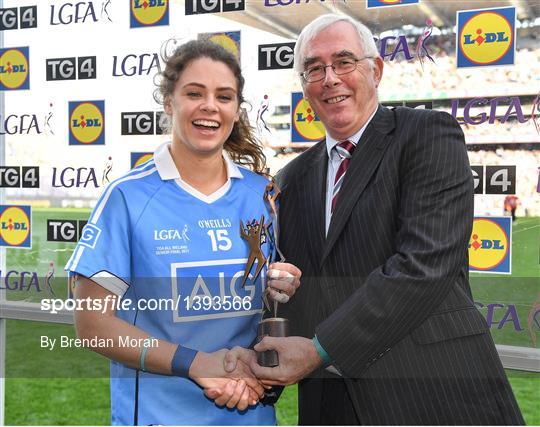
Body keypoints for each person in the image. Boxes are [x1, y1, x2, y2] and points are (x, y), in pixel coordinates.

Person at [224, 14, 524, 425]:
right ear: (304, 85)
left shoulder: (427, 135)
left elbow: (424, 266)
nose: (330, 78)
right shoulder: (290, 180)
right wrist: (265, 353)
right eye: (314, 68)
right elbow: (295, 294)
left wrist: (318, 350)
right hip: (335, 408)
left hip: (438, 397)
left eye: (344, 61)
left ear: (375, 70)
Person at [65, 39, 300, 426]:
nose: (210, 106)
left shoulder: (259, 195)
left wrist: (278, 287)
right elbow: (93, 324)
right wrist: (197, 363)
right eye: (195, 93)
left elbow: (262, 304)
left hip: (249, 413)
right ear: (169, 103)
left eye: (224, 97)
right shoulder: (127, 197)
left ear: (235, 110)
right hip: (160, 417)